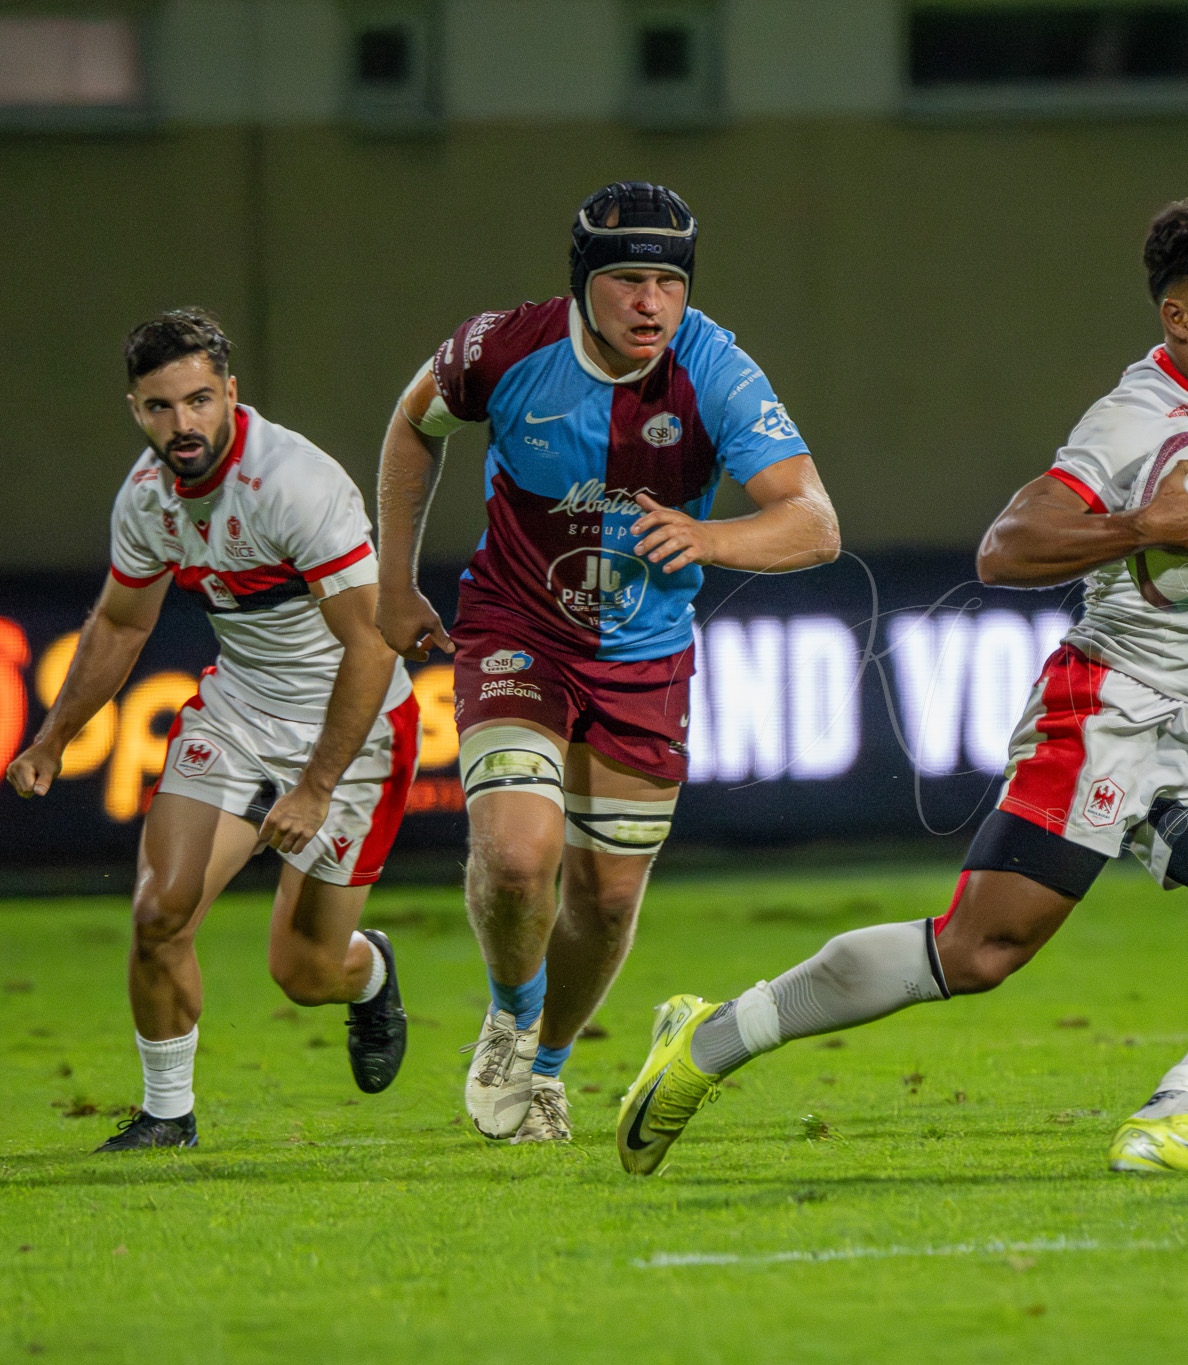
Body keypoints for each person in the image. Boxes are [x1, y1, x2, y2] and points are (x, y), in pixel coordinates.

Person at [614, 192, 1188, 1178]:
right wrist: (1140, 528)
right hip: (1106, 713)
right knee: (975, 954)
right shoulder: (1133, 423)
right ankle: (705, 1043)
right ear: (1179, 316)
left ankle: (1175, 1115)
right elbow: (1006, 548)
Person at [374, 182, 841, 1144]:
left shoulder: (716, 371)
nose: (650, 304)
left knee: (608, 895)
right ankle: (512, 1012)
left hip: (644, 655)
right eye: (628, 279)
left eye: (668, 283)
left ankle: (545, 1067)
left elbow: (815, 524)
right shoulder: (504, 347)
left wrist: (711, 539)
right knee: (515, 857)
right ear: (585, 281)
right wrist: (392, 580)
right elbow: (413, 424)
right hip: (517, 630)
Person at [7, 310, 417, 1151]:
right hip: (237, 713)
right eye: (160, 407)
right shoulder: (148, 498)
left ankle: (368, 971)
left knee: (304, 975)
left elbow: (372, 641)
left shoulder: (294, 483)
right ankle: (167, 1114)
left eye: (198, 400)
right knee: (160, 910)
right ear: (135, 409)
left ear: (231, 392)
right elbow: (121, 625)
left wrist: (314, 786)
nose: (182, 424)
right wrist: (53, 735)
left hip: (356, 722)